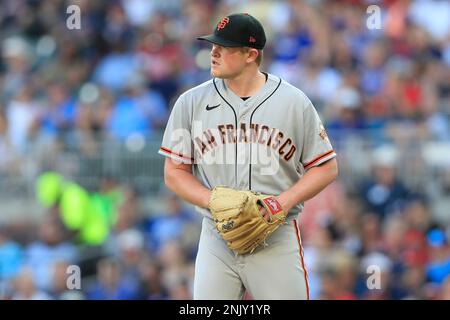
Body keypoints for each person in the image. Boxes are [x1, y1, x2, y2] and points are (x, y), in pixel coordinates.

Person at [159, 13, 338, 300]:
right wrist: (212, 200)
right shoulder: (191, 102)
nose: (213, 52)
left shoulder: (293, 102)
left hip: (276, 236)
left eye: (224, 47)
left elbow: (326, 168)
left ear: (250, 54)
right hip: (217, 236)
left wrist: (281, 203)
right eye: (213, 45)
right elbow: (174, 172)